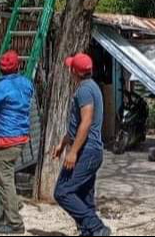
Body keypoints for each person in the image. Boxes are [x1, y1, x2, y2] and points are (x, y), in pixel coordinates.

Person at [52, 53, 111, 237]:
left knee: (62, 192)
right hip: (92, 151)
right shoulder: (92, 87)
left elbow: (85, 123)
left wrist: (73, 152)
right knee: (84, 193)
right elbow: (77, 126)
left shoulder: (84, 91)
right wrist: (63, 143)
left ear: (74, 72)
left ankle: (96, 226)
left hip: (87, 151)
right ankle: (89, 231)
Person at [0, 50, 34, 235]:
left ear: (0, 69)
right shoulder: (26, 84)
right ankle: (14, 203)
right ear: (18, 66)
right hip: (20, 139)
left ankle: (15, 224)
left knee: (5, 182)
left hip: (5, 141)